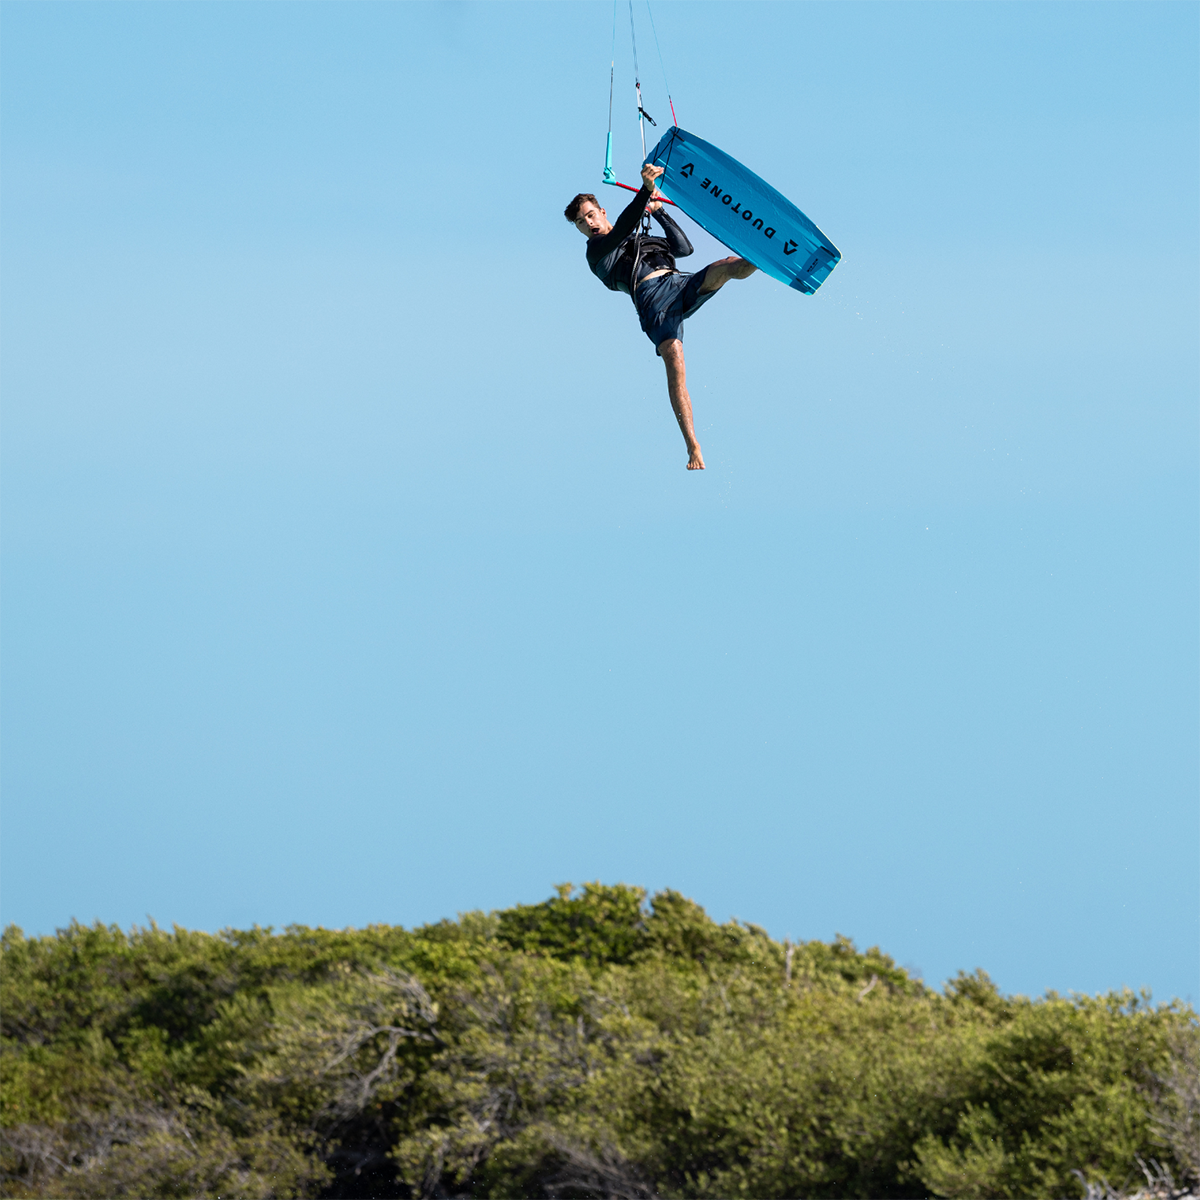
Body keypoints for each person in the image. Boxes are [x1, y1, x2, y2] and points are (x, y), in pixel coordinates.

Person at [565, 162, 757, 471]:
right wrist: (646, 190)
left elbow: (684, 249)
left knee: (729, 266)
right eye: (580, 222)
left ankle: (761, 255)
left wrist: (659, 212)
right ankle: (693, 446)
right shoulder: (596, 252)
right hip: (653, 301)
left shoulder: (642, 237)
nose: (588, 224)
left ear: (602, 212)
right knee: (675, 358)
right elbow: (625, 226)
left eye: (590, 215)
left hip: (679, 282)